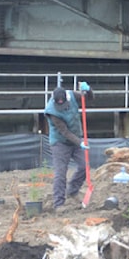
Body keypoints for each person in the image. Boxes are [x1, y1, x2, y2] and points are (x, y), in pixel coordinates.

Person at [44, 81, 94, 209]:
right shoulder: (52, 112)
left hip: (76, 139)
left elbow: (89, 98)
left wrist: (88, 91)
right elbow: (64, 132)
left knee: (84, 166)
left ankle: (72, 191)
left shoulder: (71, 95)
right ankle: (58, 203)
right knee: (60, 173)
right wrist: (80, 142)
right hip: (60, 143)